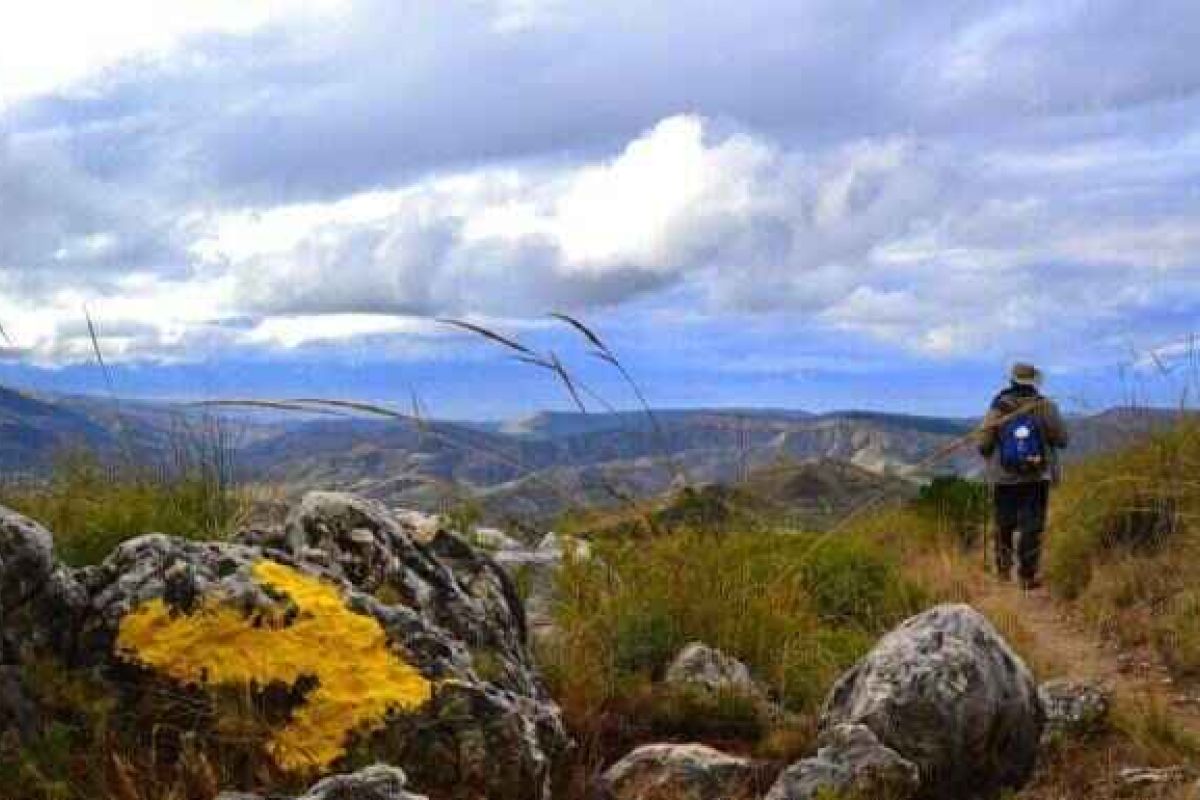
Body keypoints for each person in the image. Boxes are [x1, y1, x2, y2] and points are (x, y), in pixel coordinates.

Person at [977, 363, 1069, 589]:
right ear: (1034, 382)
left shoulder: (998, 407)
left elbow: (983, 445)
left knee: (1003, 525)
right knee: (1032, 526)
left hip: (1004, 477)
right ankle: (1027, 577)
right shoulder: (1045, 407)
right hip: (1036, 476)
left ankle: (1003, 574)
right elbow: (1062, 440)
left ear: (1011, 381)